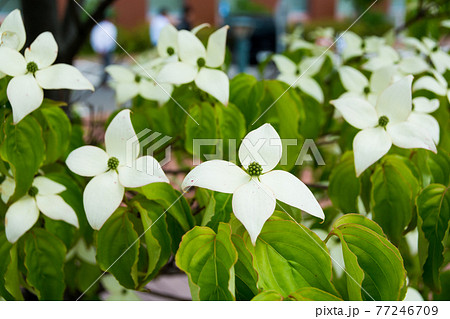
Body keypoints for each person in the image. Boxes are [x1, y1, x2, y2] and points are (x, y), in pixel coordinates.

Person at [90, 18, 117, 85]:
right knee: (106, 65)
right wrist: (100, 48)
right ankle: (104, 80)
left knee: (106, 65)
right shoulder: (108, 26)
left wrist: (101, 48)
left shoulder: (105, 26)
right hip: (105, 50)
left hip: (106, 50)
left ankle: (105, 80)